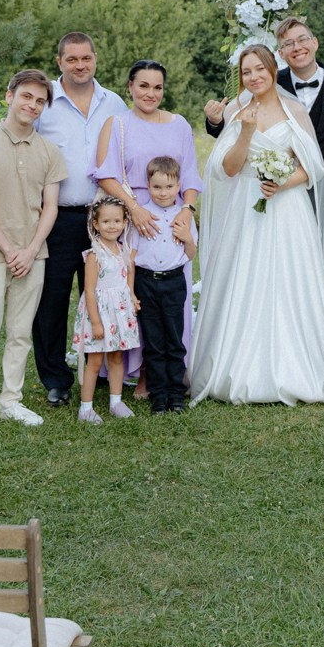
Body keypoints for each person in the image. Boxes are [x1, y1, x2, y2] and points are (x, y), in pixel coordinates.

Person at [191, 44, 324, 404]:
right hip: (245, 206)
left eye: (259, 69)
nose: (254, 77)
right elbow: (226, 169)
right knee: (245, 278)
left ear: (273, 70)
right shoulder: (236, 110)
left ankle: (292, 368)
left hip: (288, 210)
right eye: (246, 72)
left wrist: (282, 182)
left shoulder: (295, 111)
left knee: (287, 281)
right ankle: (236, 366)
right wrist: (244, 132)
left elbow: (313, 168)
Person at [0, 69, 66, 430]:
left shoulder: (50, 152)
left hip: (33, 254)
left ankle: (11, 401)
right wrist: (9, 250)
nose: (32, 105)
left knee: (20, 332)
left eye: (39, 101)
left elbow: (49, 207)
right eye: (26, 97)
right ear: (9, 96)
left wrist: (31, 248)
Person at [93, 60, 202, 401]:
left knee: (173, 299)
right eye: (143, 86)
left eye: (157, 87)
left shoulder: (179, 124)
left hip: (173, 220)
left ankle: (168, 374)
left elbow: (192, 175)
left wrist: (187, 209)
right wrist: (135, 209)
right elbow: (104, 173)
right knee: (136, 299)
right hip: (132, 218)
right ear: (130, 87)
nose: (150, 94)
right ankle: (139, 374)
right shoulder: (117, 124)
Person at [32, 32, 121, 407]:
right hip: (58, 217)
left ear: (95, 59)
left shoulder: (113, 102)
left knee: (104, 294)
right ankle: (56, 379)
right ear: (59, 62)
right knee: (51, 300)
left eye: (86, 58)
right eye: (72, 59)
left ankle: (100, 367)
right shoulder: (43, 102)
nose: (80, 65)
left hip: (104, 219)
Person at [132, 155, 198, 413]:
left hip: (174, 282)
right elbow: (132, 257)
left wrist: (186, 238)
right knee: (154, 341)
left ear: (179, 186)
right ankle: (157, 395)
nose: (163, 193)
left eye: (169, 187)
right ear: (148, 186)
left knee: (174, 339)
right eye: (157, 187)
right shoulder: (142, 216)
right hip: (146, 282)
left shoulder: (183, 217)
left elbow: (191, 254)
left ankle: (176, 394)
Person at [73, 195, 140, 424]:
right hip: (100, 314)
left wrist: (131, 297)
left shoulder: (124, 250)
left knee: (116, 358)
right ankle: (86, 408)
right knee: (94, 361)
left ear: (124, 222)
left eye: (117, 221)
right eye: (106, 222)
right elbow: (89, 291)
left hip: (119, 313)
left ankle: (116, 401)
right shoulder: (94, 255)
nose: (112, 226)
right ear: (95, 224)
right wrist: (96, 322)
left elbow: (128, 277)